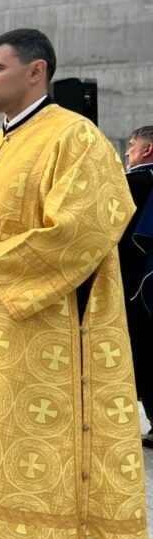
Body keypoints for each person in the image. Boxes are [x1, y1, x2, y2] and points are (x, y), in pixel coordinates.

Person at [0, 29, 149, 539]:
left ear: (36, 71)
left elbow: (87, 226)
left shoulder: (75, 138)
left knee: (28, 454)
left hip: (44, 333)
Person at [119, 125, 153, 447]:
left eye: (131, 146)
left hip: (135, 286)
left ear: (148, 150)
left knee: (141, 354)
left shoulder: (131, 184)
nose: (128, 152)